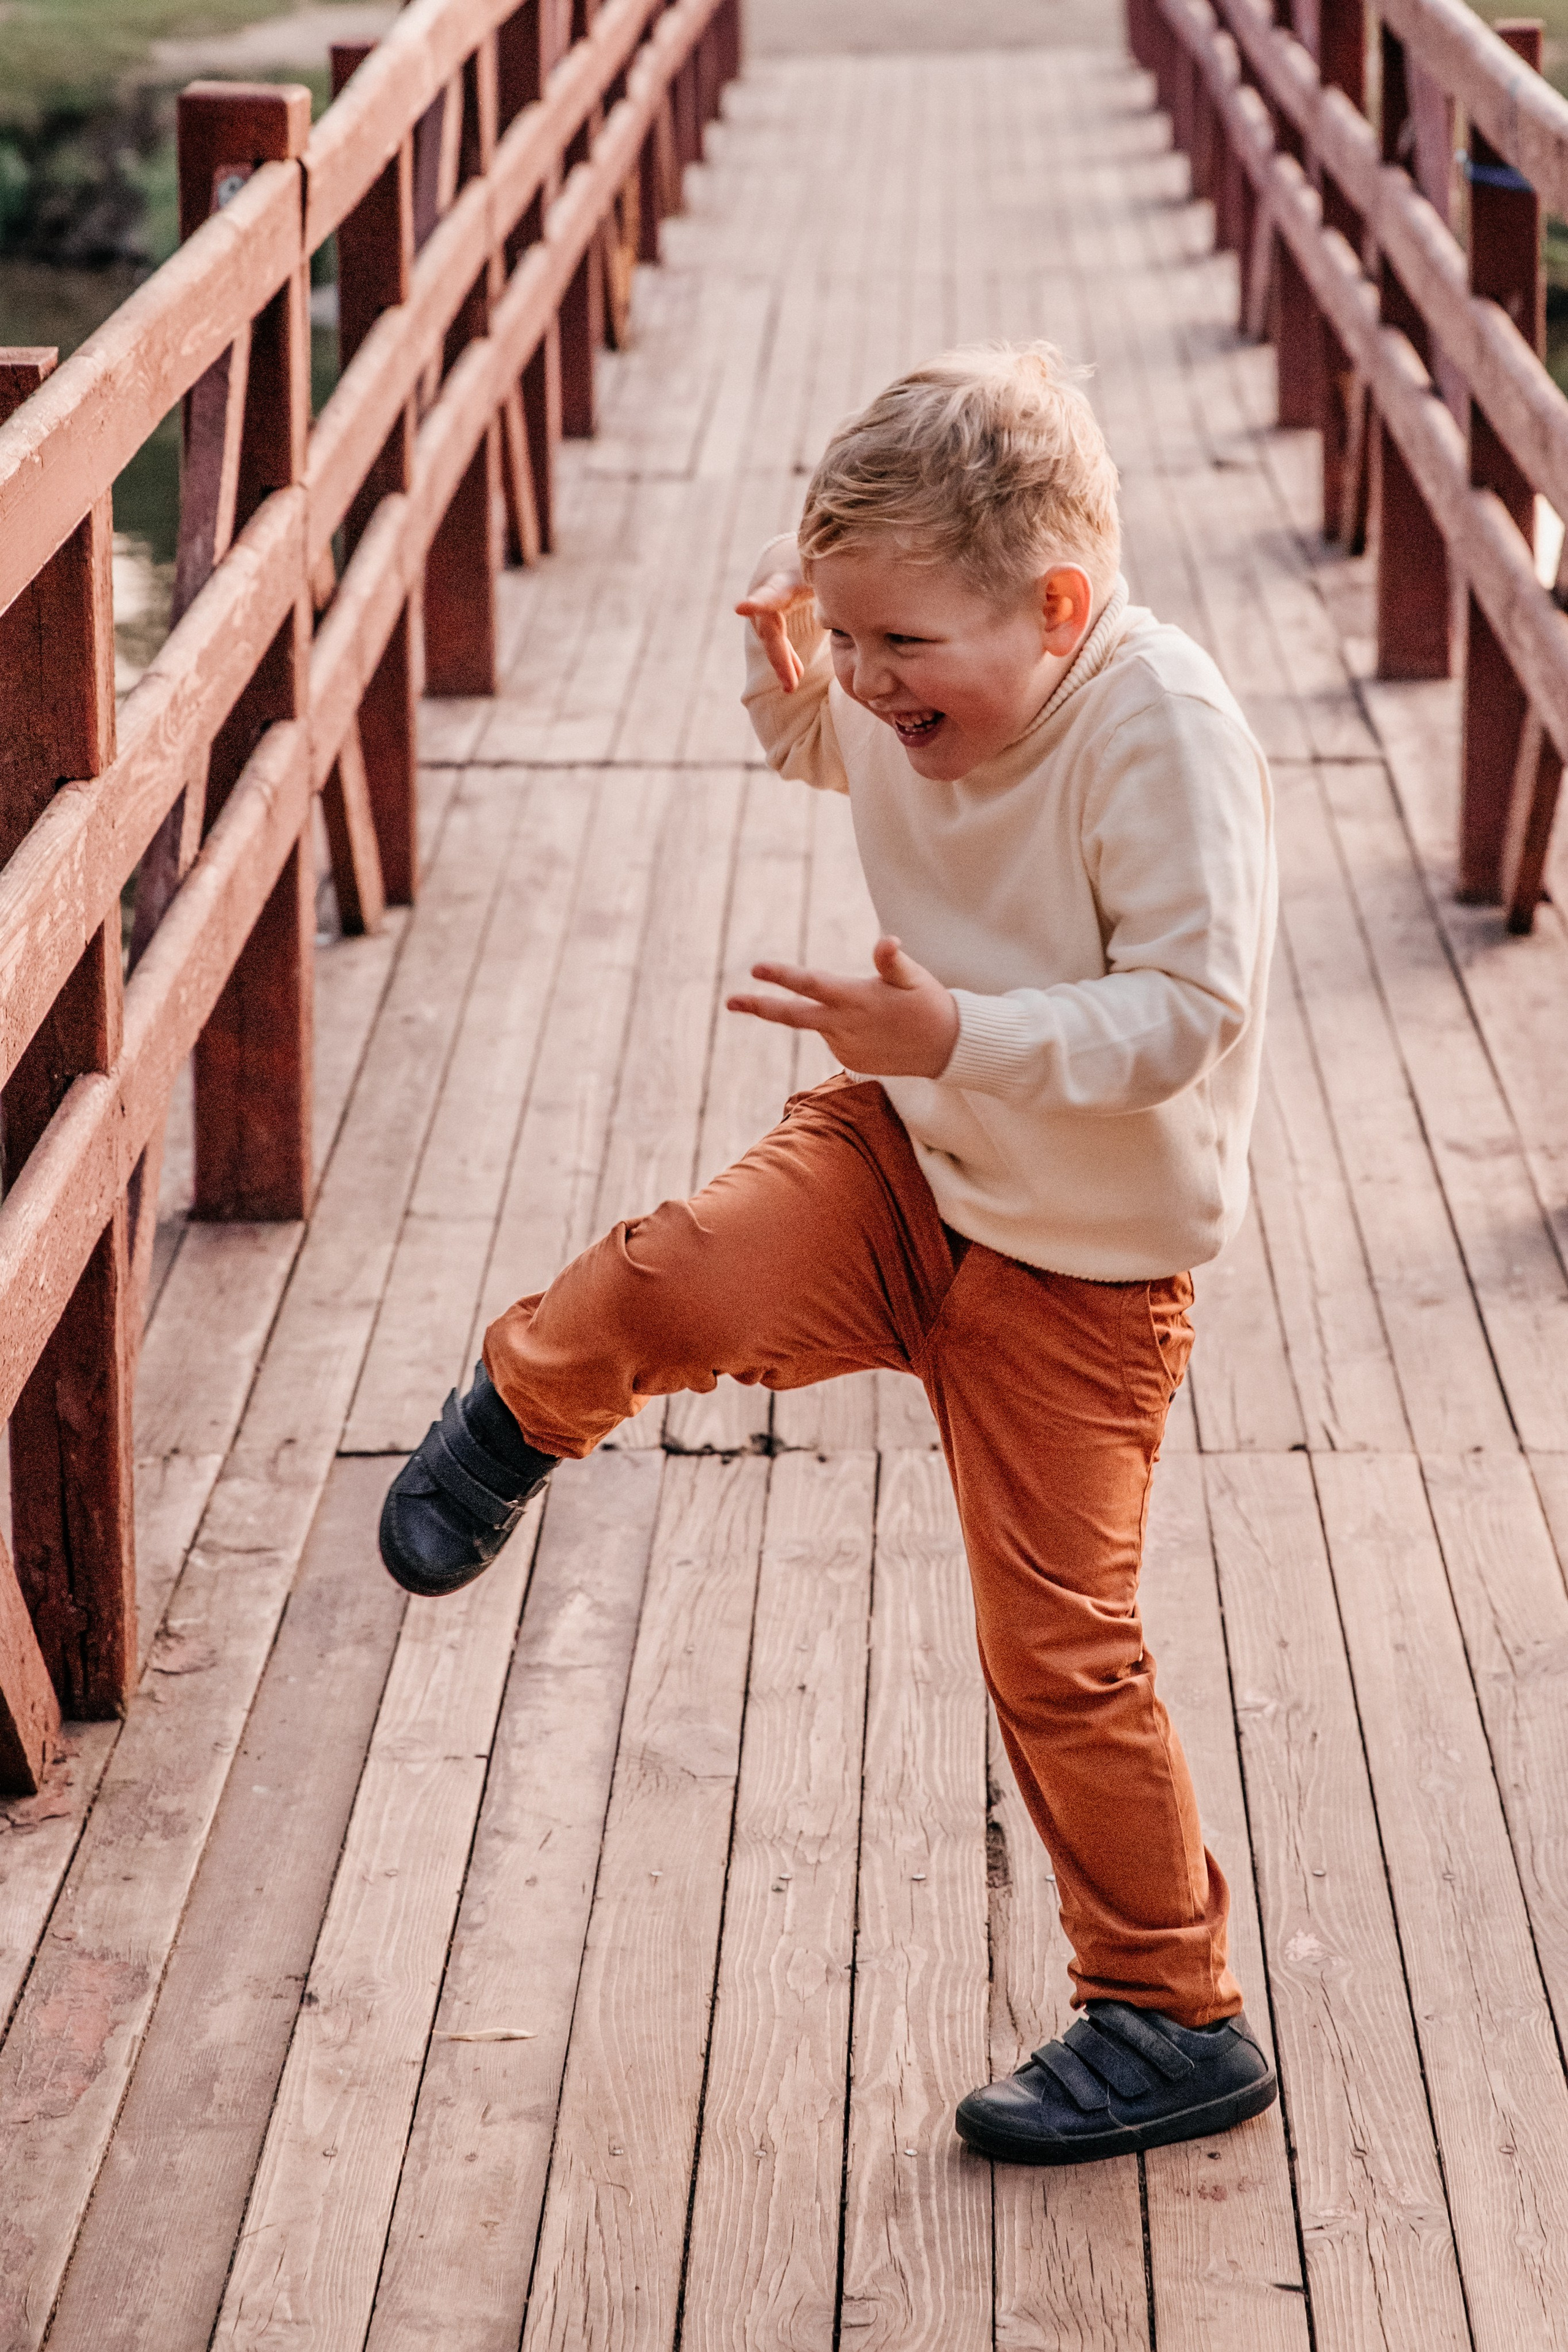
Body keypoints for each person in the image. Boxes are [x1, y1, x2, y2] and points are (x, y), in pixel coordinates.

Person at [379, 343, 1280, 2166]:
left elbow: (1190, 1011)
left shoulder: (1161, 730)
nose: (872, 682)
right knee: (671, 1277)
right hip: (912, 1154)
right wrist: (790, 675)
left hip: (1087, 1263)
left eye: (900, 646)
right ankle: (515, 1414)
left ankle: (1171, 2016)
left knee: (1059, 1649)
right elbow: (829, 746)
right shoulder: (908, 683)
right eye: (848, 633)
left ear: (1058, 607)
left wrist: (959, 1033)